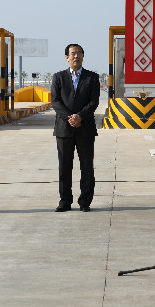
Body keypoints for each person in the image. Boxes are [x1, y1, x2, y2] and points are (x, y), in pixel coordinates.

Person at [51, 44, 100, 212]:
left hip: (85, 129)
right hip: (64, 129)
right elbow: (55, 101)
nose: (76, 56)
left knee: (86, 166)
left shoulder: (92, 77)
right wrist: (70, 118)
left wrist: (80, 116)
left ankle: (85, 201)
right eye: (73, 53)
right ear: (67, 57)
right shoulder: (58, 77)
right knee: (64, 167)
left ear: (83, 56)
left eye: (79, 53)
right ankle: (65, 201)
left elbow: (94, 101)